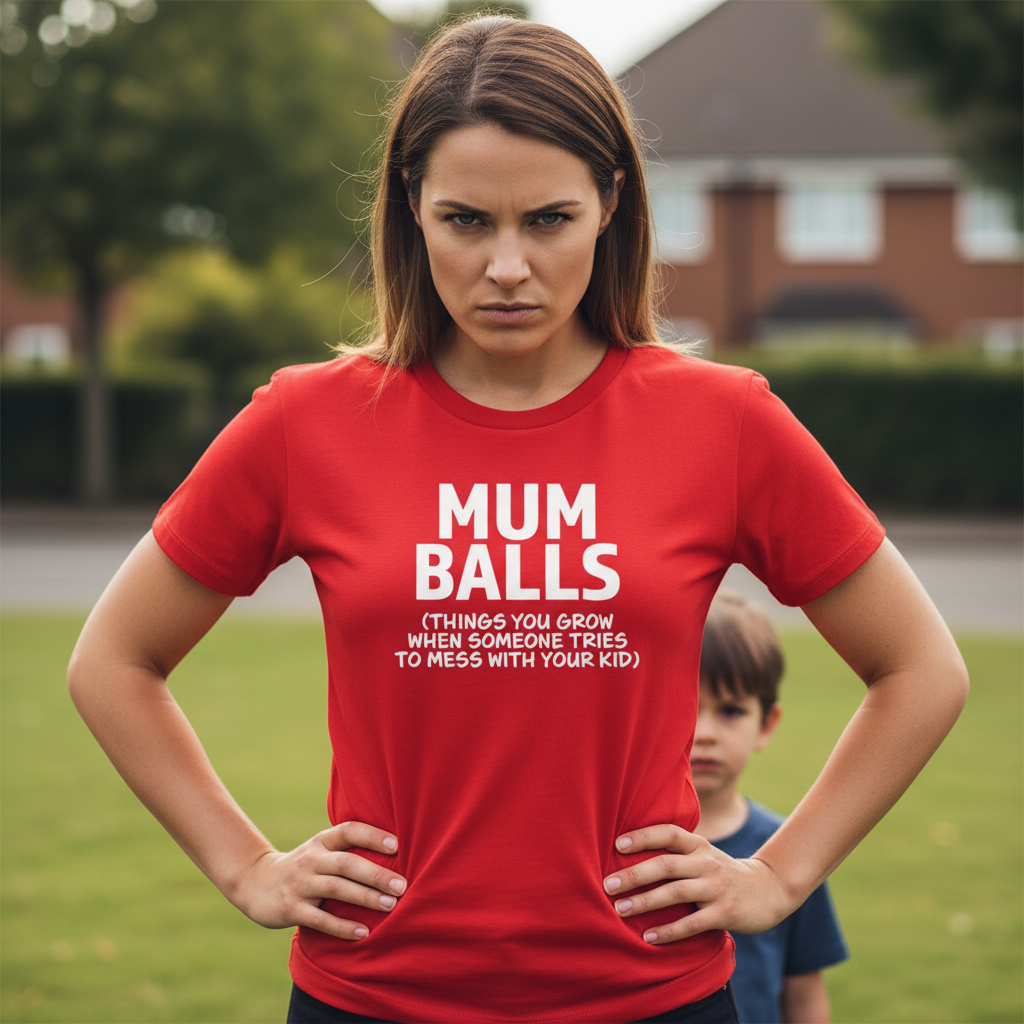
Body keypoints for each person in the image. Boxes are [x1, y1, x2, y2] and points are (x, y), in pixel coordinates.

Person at [67, 16, 969, 1024]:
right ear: (411, 207)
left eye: (546, 219)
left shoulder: (724, 422)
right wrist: (245, 867)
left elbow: (920, 670)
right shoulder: (304, 422)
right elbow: (112, 661)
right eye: (464, 220)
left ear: (610, 205)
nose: (506, 266)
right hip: (375, 997)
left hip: (650, 996)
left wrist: (778, 873)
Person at [690, 591, 847, 1024]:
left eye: (730, 710)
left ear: (766, 724)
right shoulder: (623, 845)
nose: (704, 732)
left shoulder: (790, 848)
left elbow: (804, 993)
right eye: (686, 706)